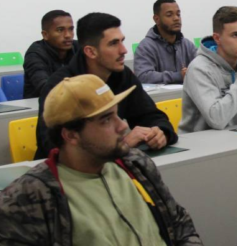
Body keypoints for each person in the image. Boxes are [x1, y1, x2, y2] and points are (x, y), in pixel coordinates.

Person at [0, 75, 201, 245]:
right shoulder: (24, 201)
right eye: (106, 120)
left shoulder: (135, 164)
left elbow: (180, 224)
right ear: (70, 135)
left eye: (117, 115)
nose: (122, 126)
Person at [35, 13, 177, 159]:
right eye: (113, 43)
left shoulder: (122, 75)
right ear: (91, 51)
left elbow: (150, 115)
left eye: (122, 41)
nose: (124, 50)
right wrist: (121, 144)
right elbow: (53, 147)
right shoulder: (61, 86)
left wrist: (160, 132)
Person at [134, 0, 198, 84]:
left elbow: (202, 67)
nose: (176, 18)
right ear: (157, 19)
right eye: (169, 15)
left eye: (178, 14)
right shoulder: (145, 47)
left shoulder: (187, 44)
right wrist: (178, 76)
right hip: (161, 97)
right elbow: (143, 76)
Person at [23, 10, 81, 99]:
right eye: (60, 30)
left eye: (71, 29)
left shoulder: (79, 47)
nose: (68, 35)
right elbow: (45, 87)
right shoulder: (35, 54)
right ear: (45, 35)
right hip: (42, 106)